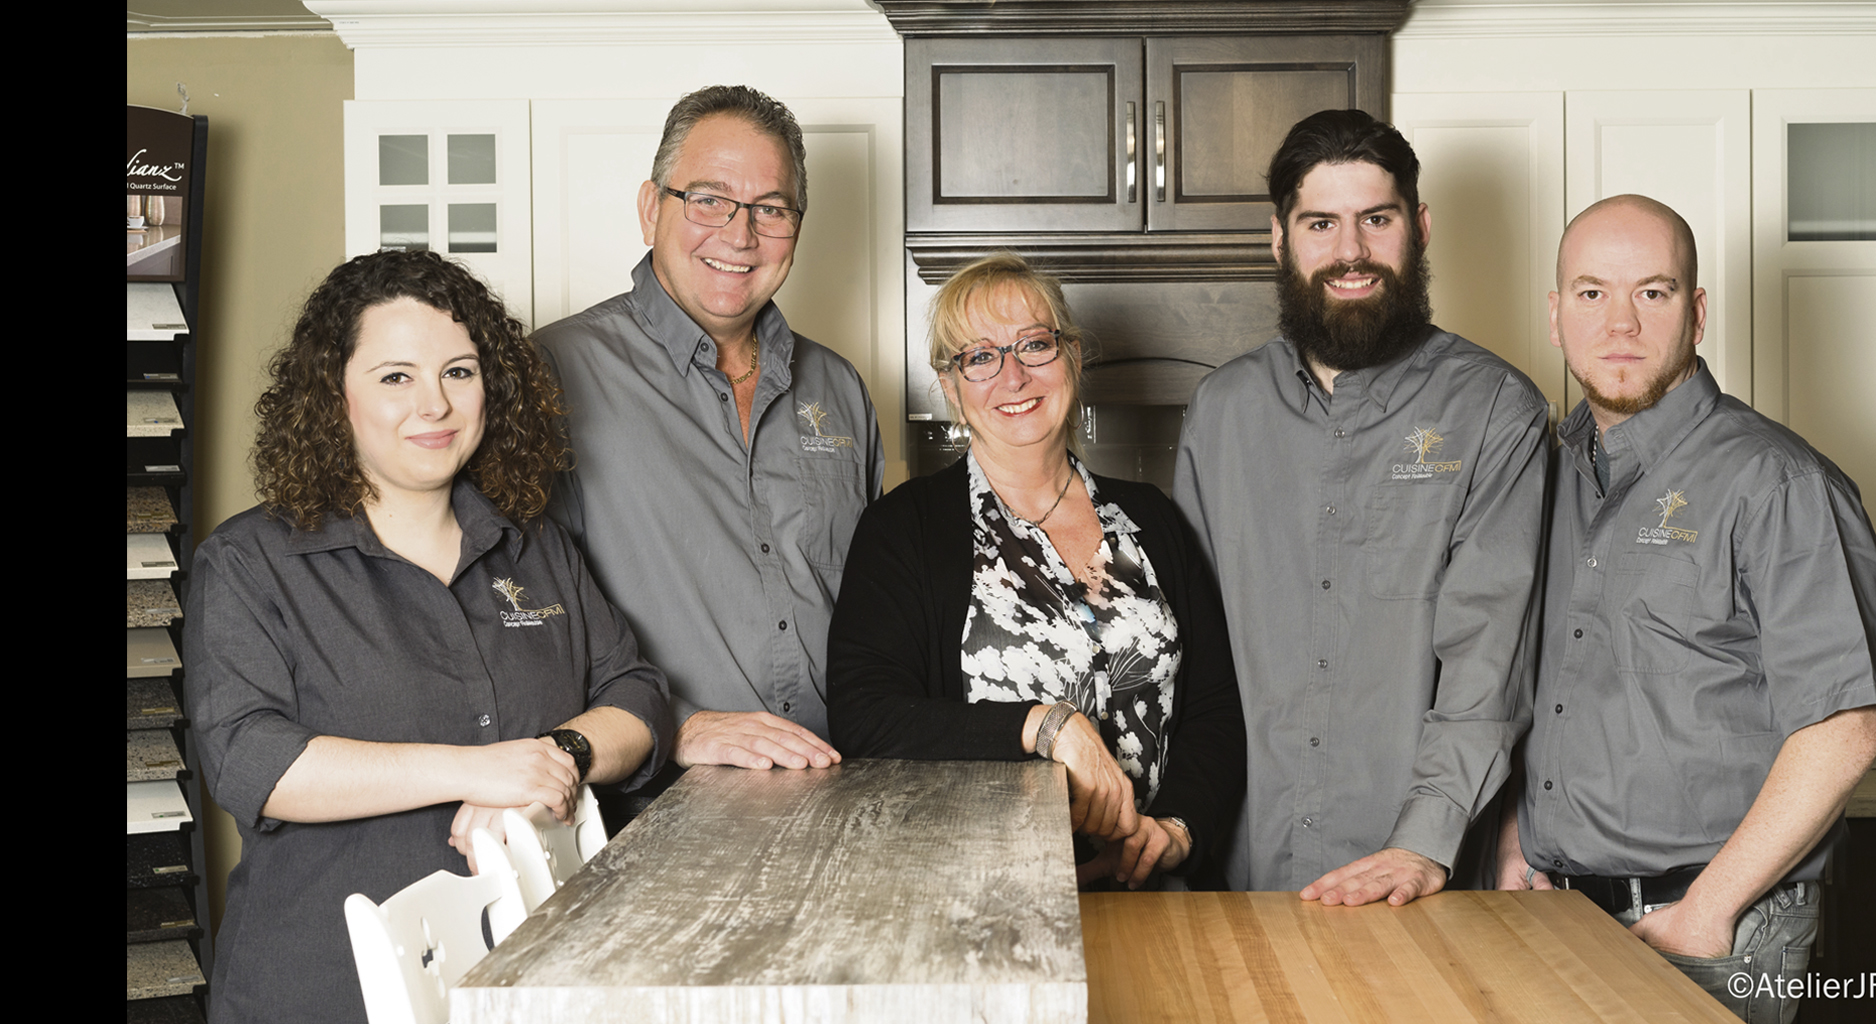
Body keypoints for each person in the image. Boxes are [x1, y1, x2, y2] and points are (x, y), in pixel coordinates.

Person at [187, 250, 672, 1024]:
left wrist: (559, 754)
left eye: (459, 372)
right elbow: (252, 760)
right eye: (395, 377)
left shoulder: (536, 546)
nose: (435, 404)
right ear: (334, 395)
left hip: (533, 979)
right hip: (326, 991)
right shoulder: (251, 561)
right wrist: (480, 770)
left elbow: (637, 696)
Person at [1498, 194, 1876, 1022]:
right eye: (1593, 293)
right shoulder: (1542, 475)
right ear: (1557, 315)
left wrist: (1707, 911)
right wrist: (1512, 839)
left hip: (1711, 927)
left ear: (1698, 312)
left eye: (1654, 291)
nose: (1621, 323)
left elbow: (1845, 725)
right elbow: (1531, 686)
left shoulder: (1778, 483)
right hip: (1552, 918)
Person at [1173, 109, 1547, 904]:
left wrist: (1422, 845)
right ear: (1280, 239)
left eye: (1376, 219)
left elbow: (1489, 662)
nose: (1351, 251)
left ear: (1419, 227)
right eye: (1321, 224)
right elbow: (1190, 657)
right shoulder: (1221, 412)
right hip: (1240, 874)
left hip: (1424, 884)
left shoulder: (1495, 409)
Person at [829, 255, 1246, 889]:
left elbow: (1216, 705)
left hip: (1155, 890)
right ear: (951, 387)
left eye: (1034, 345)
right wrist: (1045, 724)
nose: (1013, 375)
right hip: (987, 893)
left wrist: (1179, 828)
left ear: (1071, 356)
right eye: (980, 357)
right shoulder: (904, 529)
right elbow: (865, 716)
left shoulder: (1151, 519)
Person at [534, 84, 882, 788]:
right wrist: (673, 725)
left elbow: (881, 609)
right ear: (649, 209)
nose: (740, 234)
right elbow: (519, 623)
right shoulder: (551, 376)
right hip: (657, 804)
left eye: (770, 209)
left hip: (847, 784)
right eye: (709, 199)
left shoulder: (840, 389)